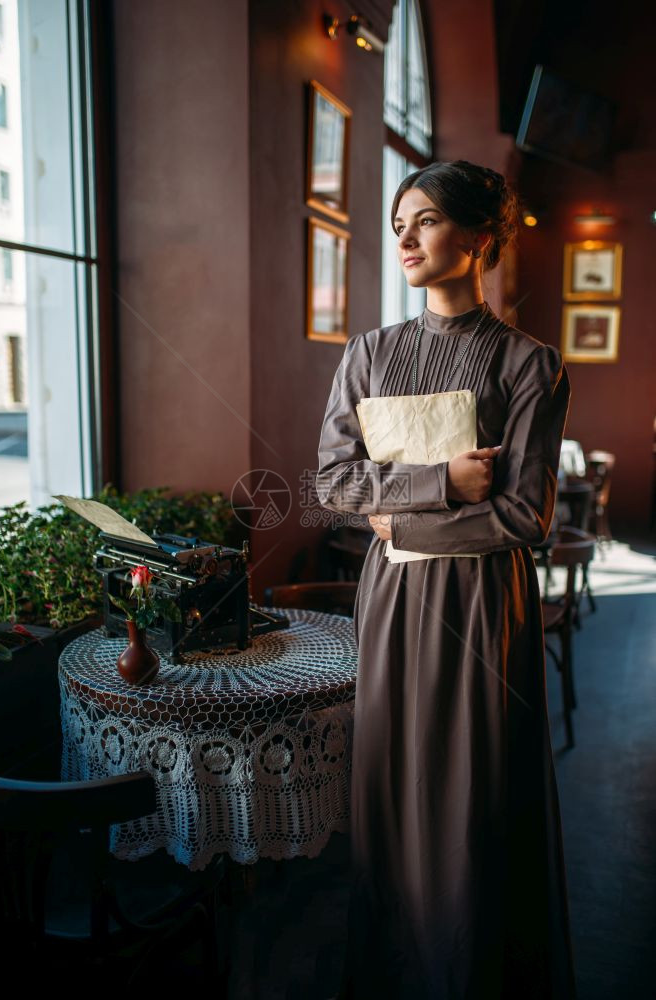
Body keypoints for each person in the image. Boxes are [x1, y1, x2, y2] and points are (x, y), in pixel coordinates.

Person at [316, 160, 576, 999]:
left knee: (473, 798)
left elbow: (524, 518)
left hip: (484, 606)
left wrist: (399, 515)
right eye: (399, 223)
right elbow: (333, 484)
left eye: (423, 221)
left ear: (479, 239)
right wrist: (441, 483)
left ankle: (472, 973)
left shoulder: (529, 366)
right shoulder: (368, 354)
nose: (405, 237)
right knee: (390, 787)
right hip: (391, 601)